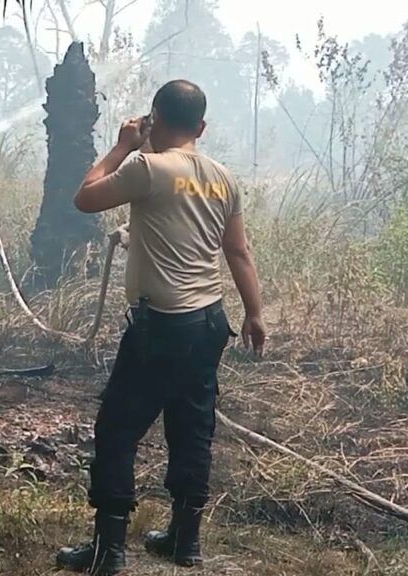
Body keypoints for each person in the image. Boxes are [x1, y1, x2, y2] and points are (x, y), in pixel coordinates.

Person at [55, 80, 267, 574]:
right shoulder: (221, 178)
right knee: (192, 429)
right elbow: (238, 251)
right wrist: (254, 313)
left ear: (154, 117)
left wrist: (124, 144)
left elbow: (85, 197)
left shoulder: (145, 168)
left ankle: (108, 551)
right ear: (201, 126)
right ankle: (184, 541)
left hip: (161, 328)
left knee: (117, 429)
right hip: (211, 322)